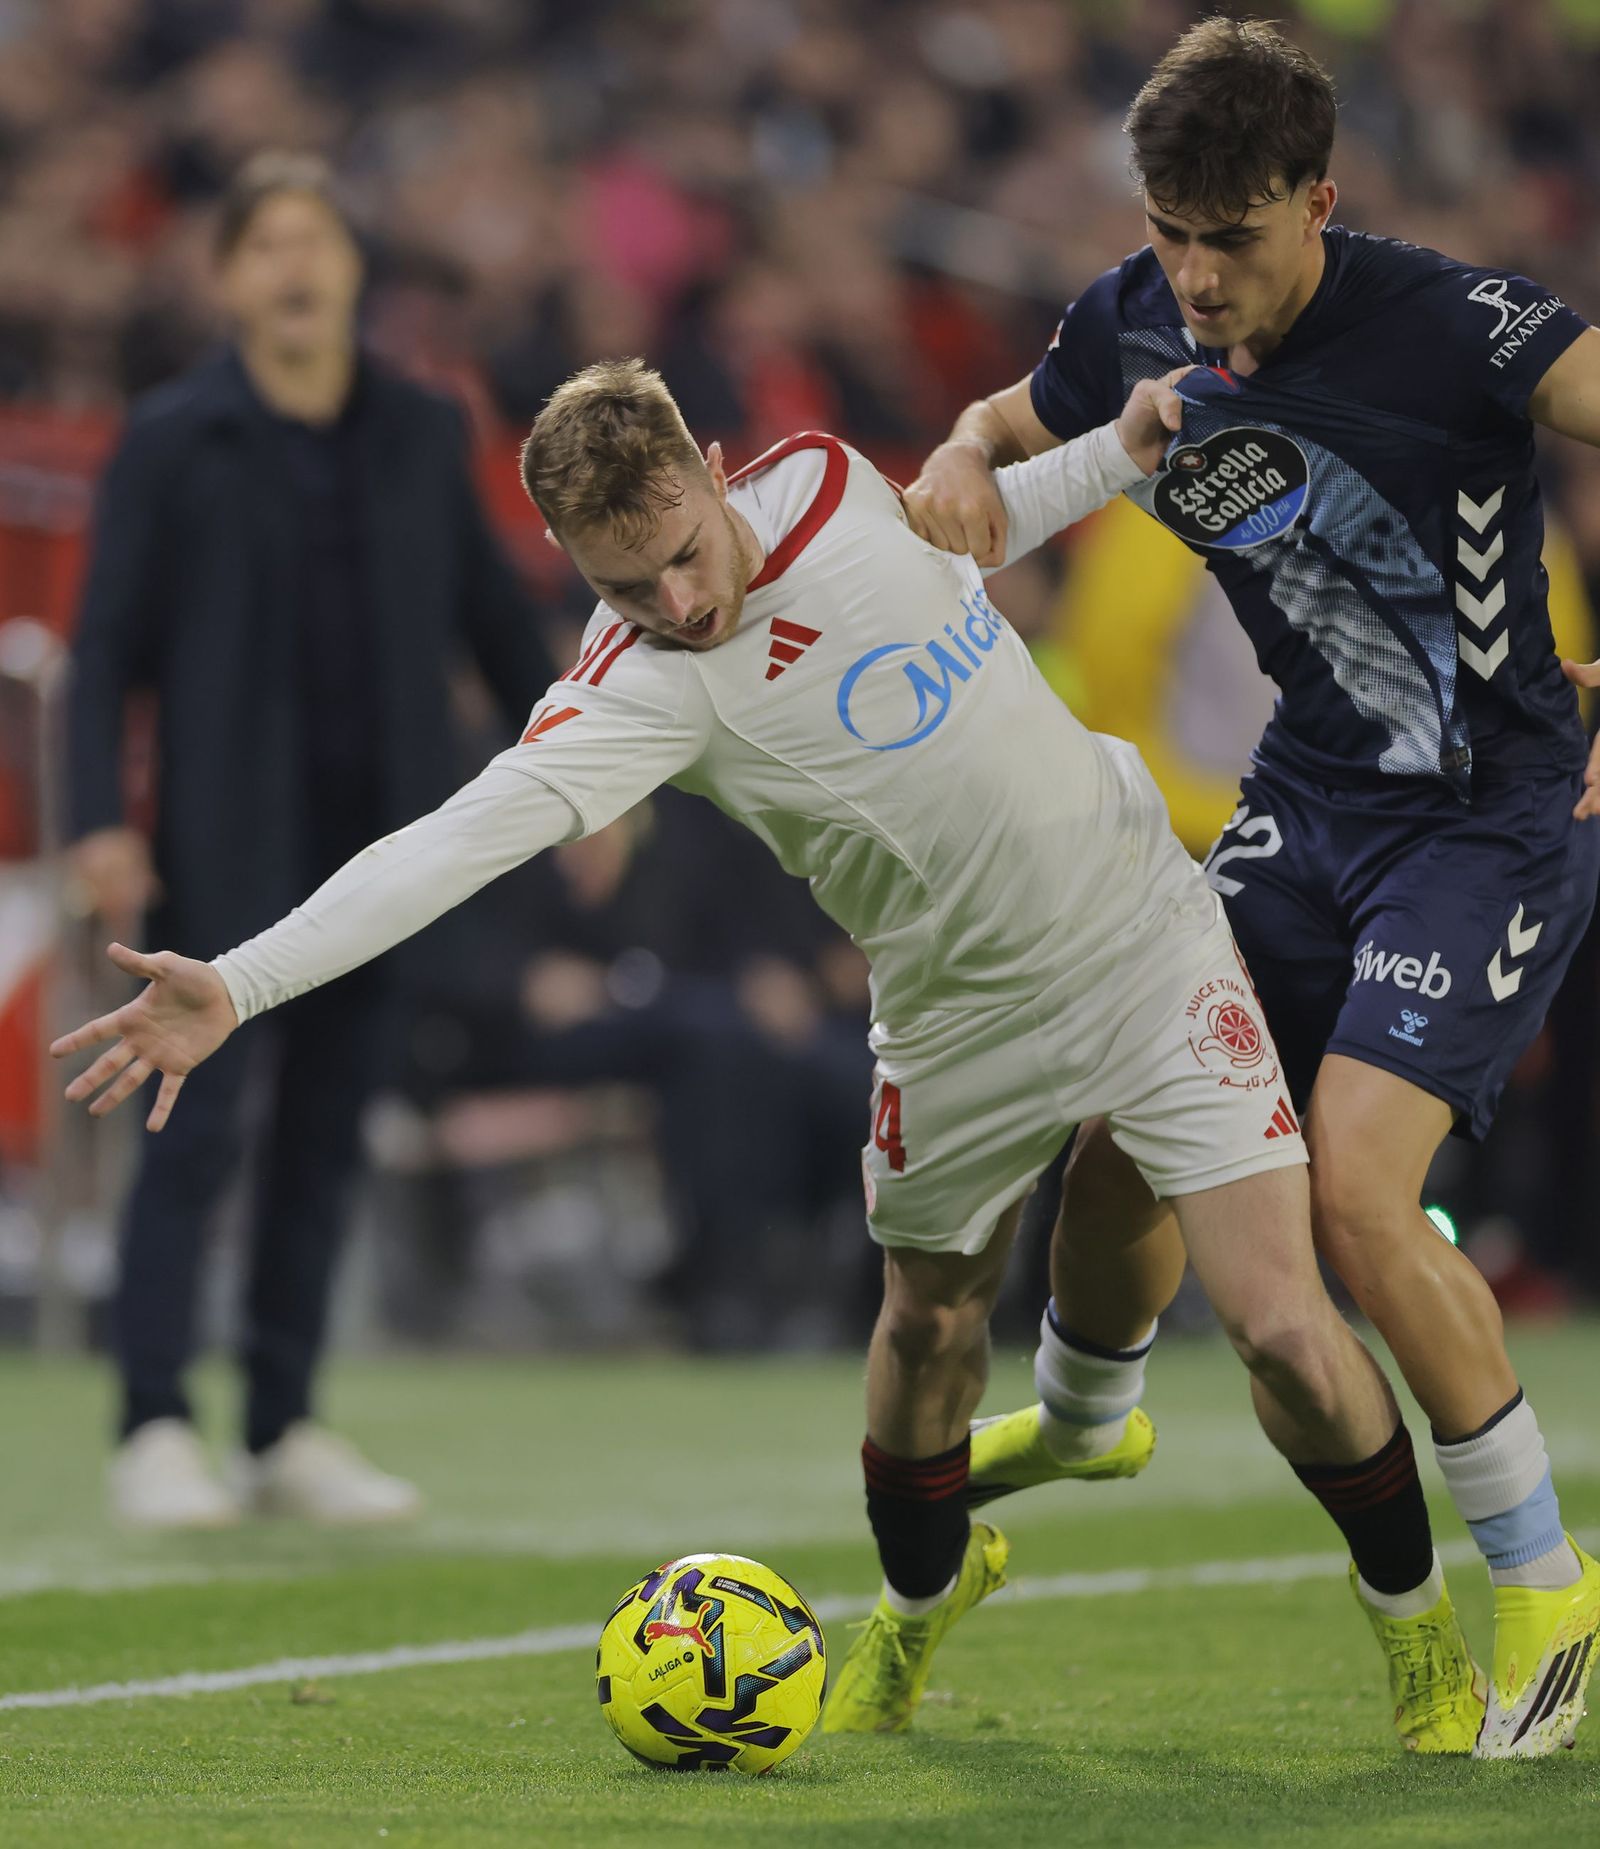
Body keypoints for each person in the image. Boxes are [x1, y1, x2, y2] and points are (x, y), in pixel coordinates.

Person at [57, 359, 1450, 1750]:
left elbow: (980, 523)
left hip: (1147, 929)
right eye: (621, 588)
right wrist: (237, 984)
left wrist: (1123, 451)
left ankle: (1423, 1638)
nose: (673, 603)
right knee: (925, 1328)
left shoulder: (831, 482)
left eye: (678, 556)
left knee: (1281, 1323)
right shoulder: (638, 695)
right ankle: (918, 1605)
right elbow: (445, 846)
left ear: (715, 472)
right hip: (954, 1018)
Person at [905, 17, 1600, 1760]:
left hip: (1487, 814)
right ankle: (1086, 1415)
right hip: (1308, 797)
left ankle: (1546, 1584)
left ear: (1320, 201)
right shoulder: (1129, 314)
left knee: (1361, 1202)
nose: (1199, 279)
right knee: (1137, 1128)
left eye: (1236, 236)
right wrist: (958, 463)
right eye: (1172, 234)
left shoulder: (1449, 321)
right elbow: (1002, 418)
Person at [66, 151, 555, 1529]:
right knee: (196, 1119)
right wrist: (103, 816)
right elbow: (105, 651)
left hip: (386, 841)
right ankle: (155, 1422)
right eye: (264, 242)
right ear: (226, 278)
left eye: (317, 240)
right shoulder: (173, 436)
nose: (294, 265)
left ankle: (282, 1425)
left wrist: (572, 763)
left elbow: (490, 614)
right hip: (223, 839)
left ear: (353, 271)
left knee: (329, 1130)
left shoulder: (416, 425)